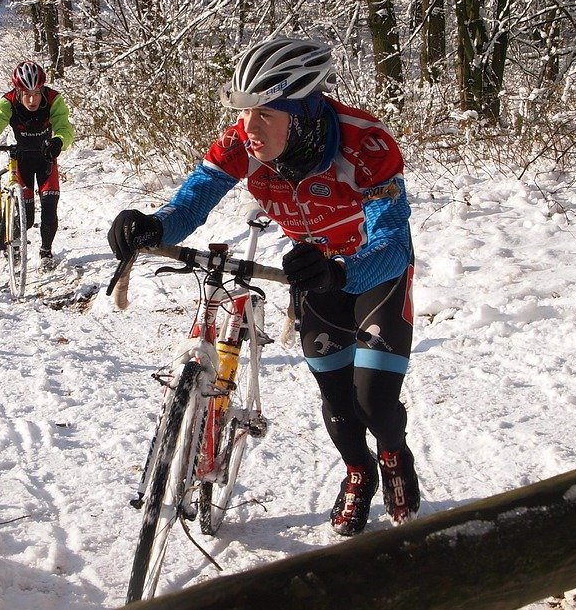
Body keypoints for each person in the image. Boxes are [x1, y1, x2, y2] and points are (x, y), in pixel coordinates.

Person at [107, 38, 420, 534]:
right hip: (314, 275)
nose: (248, 128)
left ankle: (393, 452)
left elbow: (393, 244)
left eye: (267, 114)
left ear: (306, 111)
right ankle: (358, 472)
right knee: (338, 402)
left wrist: (339, 270)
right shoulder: (241, 143)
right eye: (244, 111)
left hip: (373, 275)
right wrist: (152, 226)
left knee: (373, 401)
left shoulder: (366, 142)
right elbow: (192, 202)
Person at [0, 60, 74, 270]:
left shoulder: (54, 99)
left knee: (49, 210)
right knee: (26, 217)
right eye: (26, 94)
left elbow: (64, 126)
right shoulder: (8, 102)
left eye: (36, 93)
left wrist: (59, 141)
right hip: (22, 161)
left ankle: (46, 251)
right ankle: (15, 246)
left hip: (46, 159)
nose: (32, 99)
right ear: (18, 91)